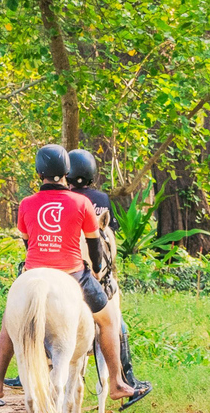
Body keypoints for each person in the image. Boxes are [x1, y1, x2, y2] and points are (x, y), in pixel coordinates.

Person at [0, 144, 149, 410]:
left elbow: (27, 242)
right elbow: (94, 246)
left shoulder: (27, 203)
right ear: (65, 171)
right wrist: (97, 269)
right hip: (73, 274)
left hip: (32, 272)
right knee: (110, 320)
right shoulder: (82, 202)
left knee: (9, 324)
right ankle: (117, 383)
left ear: (39, 171)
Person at [67, 148, 150, 392]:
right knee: (115, 321)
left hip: (62, 265)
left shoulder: (64, 199)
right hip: (90, 272)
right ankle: (124, 377)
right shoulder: (101, 200)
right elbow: (107, 237)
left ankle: (22, 371)